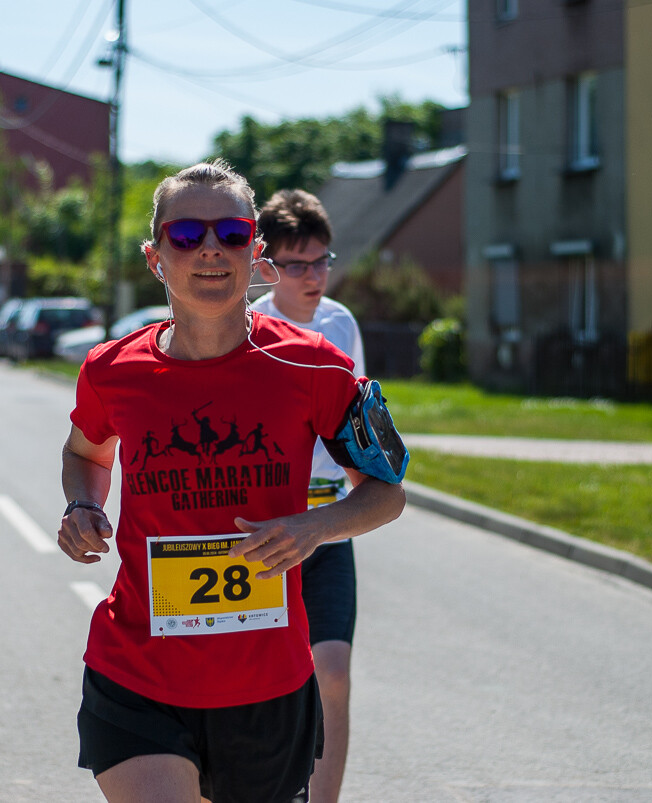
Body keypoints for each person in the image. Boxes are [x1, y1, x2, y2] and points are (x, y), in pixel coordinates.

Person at [58, 160, 405, 803]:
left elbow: (388, 491)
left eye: (233, 233)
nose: (211, 249)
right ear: (156, 256)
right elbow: (87, 451)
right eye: (186, 234)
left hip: (267, 687)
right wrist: (83, 502)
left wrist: (316, 526)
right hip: (138, 673)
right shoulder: (112, 369)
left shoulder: (314, 365)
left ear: (256, 251)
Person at [250, 188, 364, 803]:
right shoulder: (249, 333)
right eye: (298, 264)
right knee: (259, 682)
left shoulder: (341, 324)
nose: (314, 276)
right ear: (266, 266)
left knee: (334, 672)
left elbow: (355, 424)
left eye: (322, 260)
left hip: (327, 526)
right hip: (267, 532)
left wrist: (365, 492)